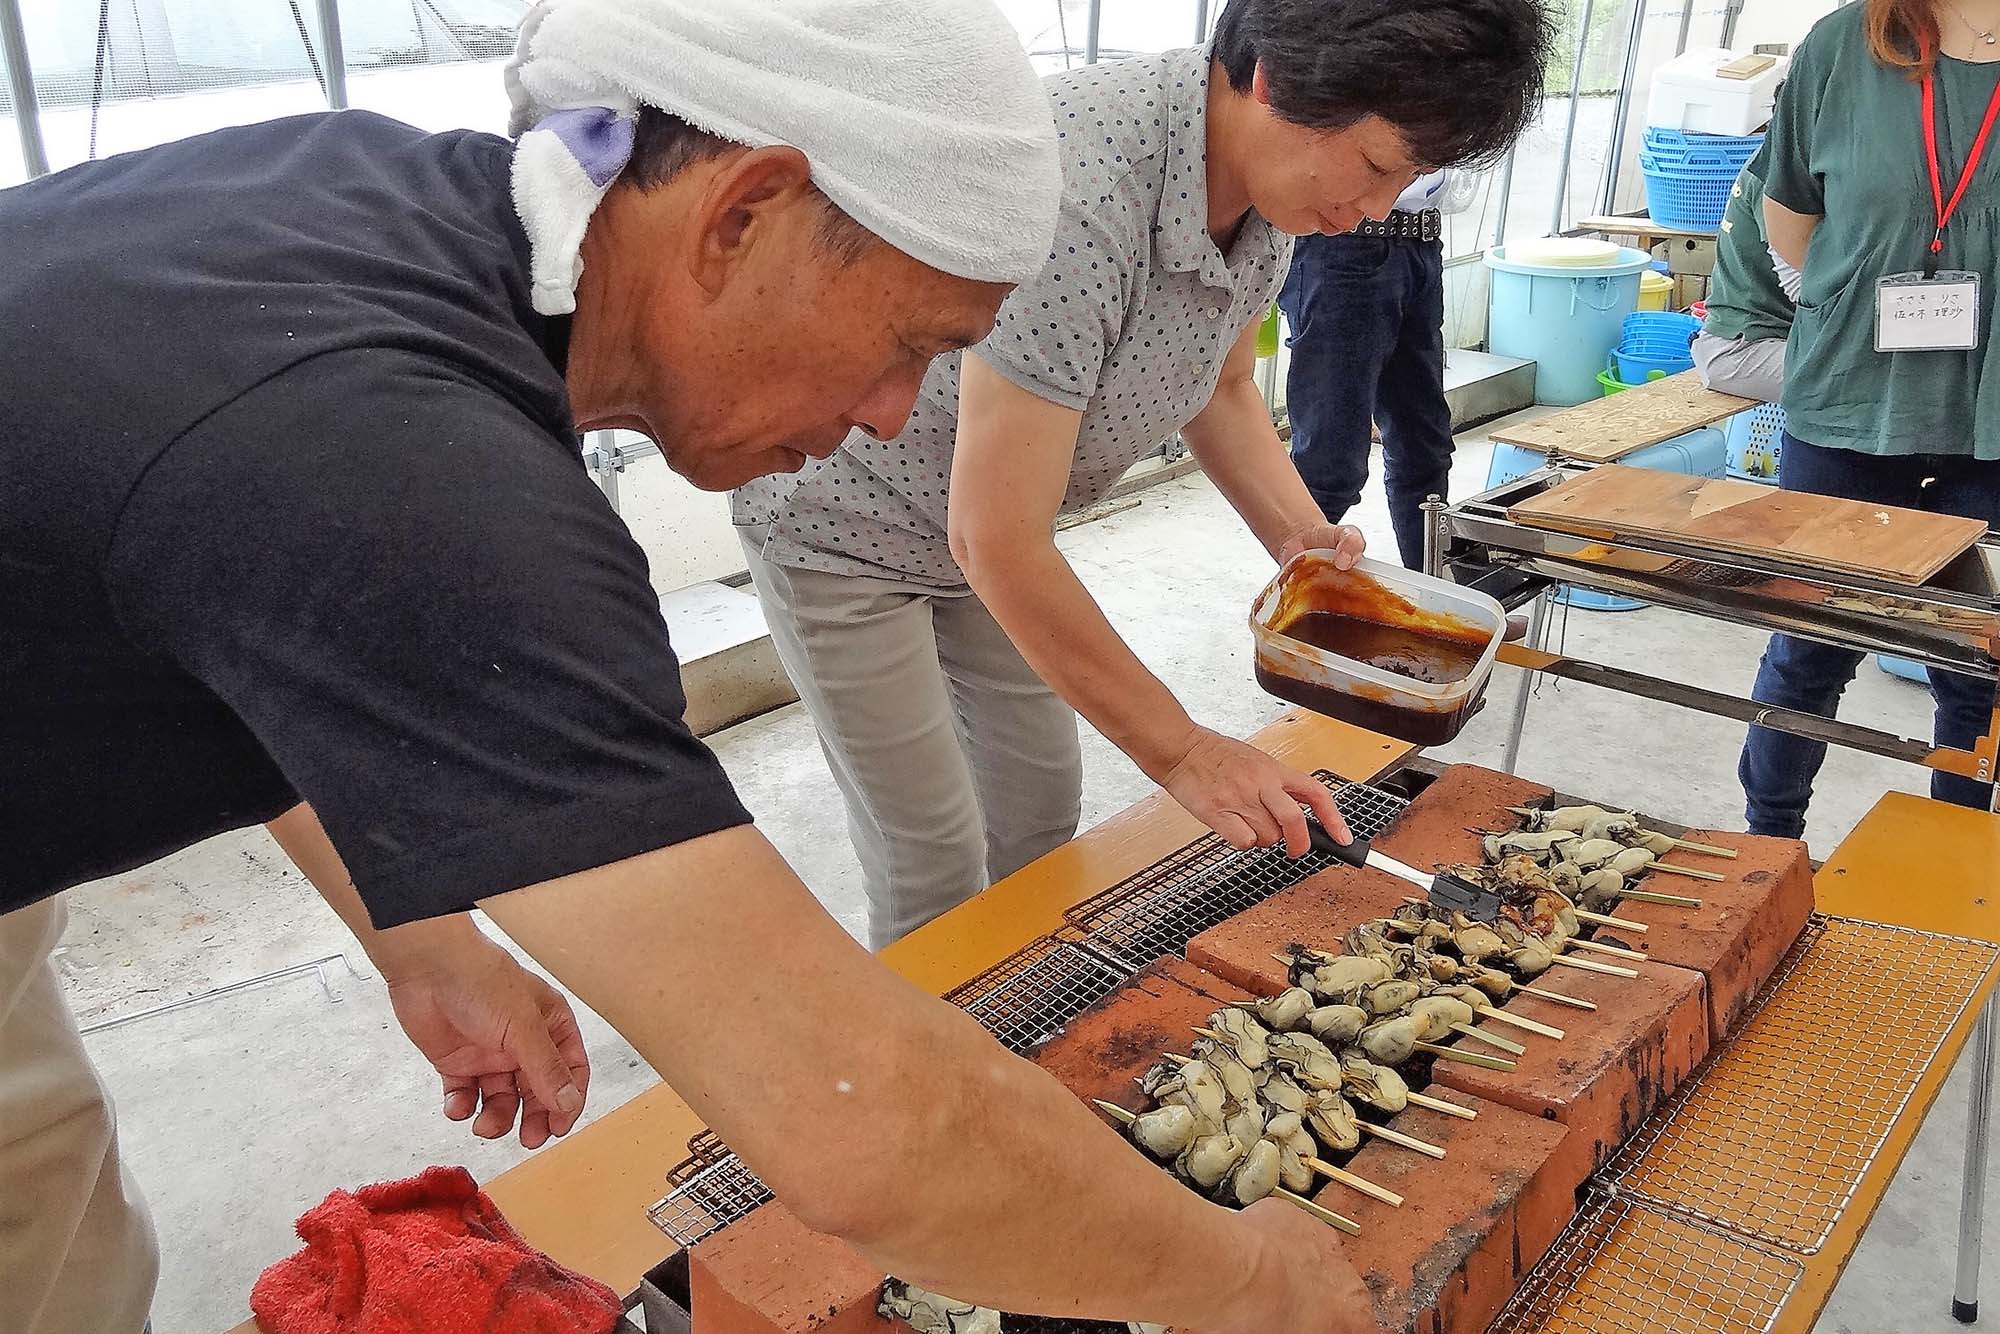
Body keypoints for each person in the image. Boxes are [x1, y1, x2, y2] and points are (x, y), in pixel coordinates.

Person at [0, 3, 1377, 1332]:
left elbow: (242, 602)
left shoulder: (386, 213)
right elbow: (860, 1123)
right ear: (741, 217)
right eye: (911, 347)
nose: (896, 418)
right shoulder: (413, 470)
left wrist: (419, 936)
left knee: (58, 1228)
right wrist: (1260, 1285)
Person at [735, 0, 1557, 949]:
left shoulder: (1272, 185)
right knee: (932, 852)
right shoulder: (1079, 185)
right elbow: (996, 536)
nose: (1376, 209)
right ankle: (920, 1079)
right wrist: (1187, 753)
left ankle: (1019, 1023)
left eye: (1407, 180)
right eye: (1377, 167)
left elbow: (1220, 386)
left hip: (983, 534)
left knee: (1040, 811)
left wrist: (1306, 546)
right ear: (1276, 78)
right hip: (852, 521)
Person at [1740, 0, 2000, 838]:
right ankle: (1766, 848)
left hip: (1992, 419)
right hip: (1851, 401)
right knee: (1808, 645)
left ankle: (1949, 855)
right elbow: (1787, 212)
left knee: (1979, 663)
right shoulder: (1843, 46)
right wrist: (1858, 304)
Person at [1277, 169, 1458, 568]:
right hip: (1344, 243)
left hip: (1421, 242)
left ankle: (1437, 603)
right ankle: (1301, 611)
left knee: (1425, 445)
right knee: (1329, 461)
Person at [1691, 144, 1799, 406]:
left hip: (1775, 340)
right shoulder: (1779, 172)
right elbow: (1802, 288)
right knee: (1864, 384)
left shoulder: (1784, 159)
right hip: (1741, 348)